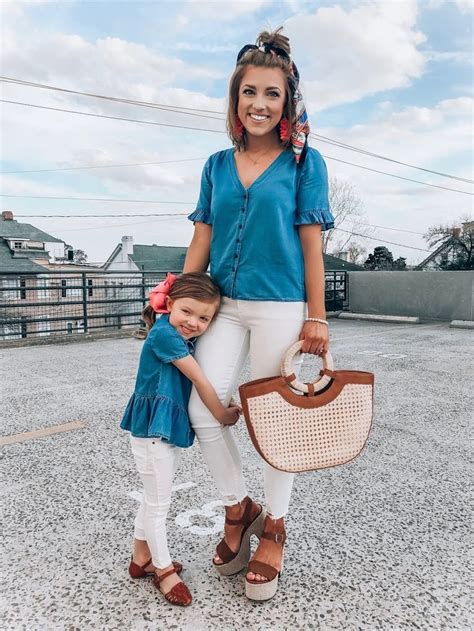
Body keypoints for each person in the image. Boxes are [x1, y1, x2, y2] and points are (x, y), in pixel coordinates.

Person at [183, 27, 335, 601]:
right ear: (235, 98)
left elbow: (311, 242)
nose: (260, 105)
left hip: (280, 306)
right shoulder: (217, 164)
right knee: (203, 408)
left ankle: (274, 524)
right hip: (221, 304)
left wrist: (316, 317)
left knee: (279, 422)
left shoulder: (305, 163)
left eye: (272, 94)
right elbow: (203, 236)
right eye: (250, 93)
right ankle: (236, 506)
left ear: (288, 102)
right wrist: (177, 300)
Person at [120, 272, 241, 607]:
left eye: (205, 318)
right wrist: (222, 414)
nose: (194, 322)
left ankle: (140, 558)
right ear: (170, 304)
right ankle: (162, 572)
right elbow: (201, 381)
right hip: (153, 434)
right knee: (159, 505)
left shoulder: (171, 333)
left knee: (152, 498)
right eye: (187, 312)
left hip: (159, 431)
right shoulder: (164, 337)